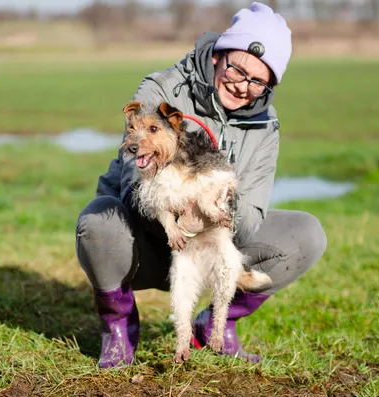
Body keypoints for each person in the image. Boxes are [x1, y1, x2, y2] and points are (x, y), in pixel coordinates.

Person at [76, 2, 327, 368]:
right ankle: (119, 330)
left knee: (308, 234)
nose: (243, 86)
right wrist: (177, 209)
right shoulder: (161, 91)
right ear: (218, 56)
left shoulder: (265, 126)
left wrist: (216, 210)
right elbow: (134, 175)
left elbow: (252, 212)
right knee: (97, 222)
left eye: (258, 81)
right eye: (237, 69)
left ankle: (213, 324)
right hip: (146, 238)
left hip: (213, 242)